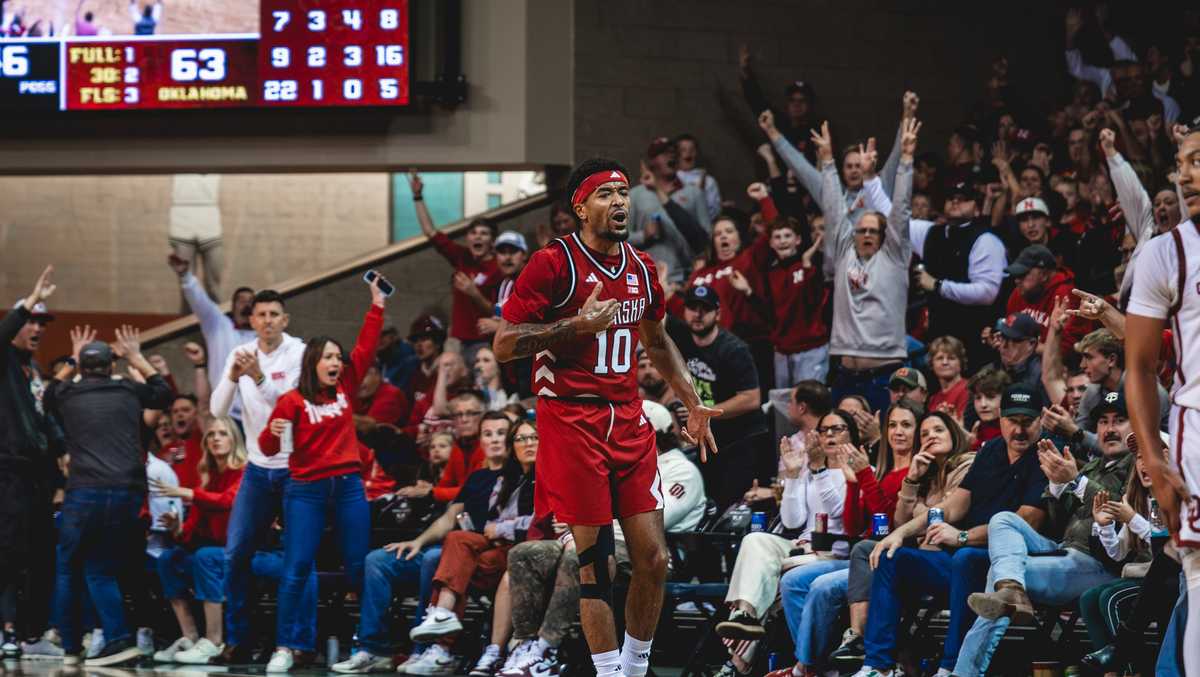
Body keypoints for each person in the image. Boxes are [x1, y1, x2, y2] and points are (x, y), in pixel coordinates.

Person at [493, 157, 720, 677]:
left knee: (654, 559)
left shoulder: (642, 267)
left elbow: (657, 342)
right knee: (598, 567)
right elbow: (504, 344)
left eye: (623, 192)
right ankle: (610, 672)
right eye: (606, 194)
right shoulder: (552, 263)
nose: (620, 201)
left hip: (627, 417)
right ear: (580, 207)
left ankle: (634, 668)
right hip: (570, 419)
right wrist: (575, 325)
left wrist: (690, 399)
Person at [857, 384, 1052, 677]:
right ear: (1001, 418)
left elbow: (1026, 522)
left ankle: (950, 668)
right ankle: (878, 666)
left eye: (1028, 421)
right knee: (890, 556)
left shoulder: (1047, 453)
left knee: (966, 558)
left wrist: (961, 537)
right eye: (1013, 421)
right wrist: (899, 533)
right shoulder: (992, 450)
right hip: (961, 558)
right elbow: (952, 506)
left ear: (1041, 419)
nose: (1019, 430)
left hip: (1008, 564)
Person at [951, 393, 1134, 676]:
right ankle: (1011, 590)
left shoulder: (1139, 465)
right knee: (1003, 520)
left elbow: (1121, 511)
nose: (1110, 429)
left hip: (1102, 564)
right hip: (1064, 551)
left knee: (999, 575)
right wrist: (1058, 487)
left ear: (1136, 426)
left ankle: (964, 671)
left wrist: (1076, 481)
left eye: (1119, 421)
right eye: (1103, 422)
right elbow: (1059, 521)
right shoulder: (1093, 466)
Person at [257, 278, 386, 672]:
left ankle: (368, 646)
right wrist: (272, 432)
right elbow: (266, 448)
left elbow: (366, 347)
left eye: (338, 358)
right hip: (306, 489)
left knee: (359, 565)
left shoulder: (346, 386)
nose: (336, 363)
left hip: (348, 486)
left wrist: (377, 305)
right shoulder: (291, 401)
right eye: (328, 357)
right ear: (313, 362)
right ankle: (285, 646)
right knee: (297, 567)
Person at [341, 412, 512, 676]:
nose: (495, 440)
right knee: (377, 560)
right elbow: (449, 518)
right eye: (488, 434)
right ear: (481, 440)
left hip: (476, 555)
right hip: (451, 547)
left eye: (501, 434)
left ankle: (423, 649)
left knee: (434, 558)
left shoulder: (516, 475)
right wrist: (416, 541)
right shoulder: (477, 477)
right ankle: (373, 649)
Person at [47, 326, 173, 666]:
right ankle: (117, 638)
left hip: (84, 491)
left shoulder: (67, 393)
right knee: (100, 568)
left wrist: (71, 360)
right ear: (112, 366)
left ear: (82, 367)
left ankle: (73, 648)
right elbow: (163, 394)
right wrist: (137, 357)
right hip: (126, 492)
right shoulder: (127, 389)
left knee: (67, 567)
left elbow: (47, 394)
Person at [1124, 122, 1200, 676]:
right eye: (1182, 163)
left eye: (1198, 160)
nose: (1186, 174)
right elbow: (1139, 366)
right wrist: (1153, 456)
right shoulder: (1166, 252)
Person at [825, 411, 975, 670]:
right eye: (925, 434)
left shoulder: (967, 465)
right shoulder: (926, 473)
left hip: (953, 556)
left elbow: (944, 512)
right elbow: (899, 521)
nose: (931, 436)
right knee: (866, 550)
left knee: (885, 559)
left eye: (938, 430)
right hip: (924, 554)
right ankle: (860, 641)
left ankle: (877, 661)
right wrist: (912, 479)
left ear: (953, 433)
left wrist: (918, 511)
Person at [209, 289, 309, 664]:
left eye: (274, 314)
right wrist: (233, 377)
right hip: (257, 468)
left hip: (296, 467)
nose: (267, 320)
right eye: (261, 314)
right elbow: (218, 410)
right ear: (251, 321)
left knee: (299, 557)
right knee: (235, 553)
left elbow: (289, 407)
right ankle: (239, 639)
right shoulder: (241, 352)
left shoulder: (299, 353)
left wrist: (258, 375)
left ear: (285, 320)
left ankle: (299, 644)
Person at [410, 415, 534, 672]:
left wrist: (501, 528)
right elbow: (486, 516)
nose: (527, 444)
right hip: (492, 545)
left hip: (522, 549)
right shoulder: (504, 478)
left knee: (454, 559)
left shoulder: (545, 475)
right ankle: (442, 625)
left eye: (533, 438)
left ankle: (442, 643)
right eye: (521, 439)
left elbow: (540, 520)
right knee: (456, 547)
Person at [818, 118, 919, 412]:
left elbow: (901, 210)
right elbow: (833, 211)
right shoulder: (844, 252)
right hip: (845, 374)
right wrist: (827, 161)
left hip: (884, 375)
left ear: (884, 235)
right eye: (860, 230)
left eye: (873, 230)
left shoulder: (895, 257)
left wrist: (906, 160)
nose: (866, 235)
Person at [150, 415, 247, 665]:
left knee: (206, 557)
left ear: (234, 440)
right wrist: (177, 528)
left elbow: (227, 501)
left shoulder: (245, 472)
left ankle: (214, 641)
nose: (215, 438)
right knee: (168, 559)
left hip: (244, 550)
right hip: (213, 548)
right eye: (211, 434)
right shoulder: (207, 477)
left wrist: (188, 493)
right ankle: (189, 637)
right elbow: (190, 533)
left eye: (222, 433)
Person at [1, 267, 60, 659]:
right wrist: (28, 301)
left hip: (38, 476)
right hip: (8, 472)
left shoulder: (34, 369)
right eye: (31, 322)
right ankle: (6, 630)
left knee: (40, 555)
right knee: (7, 552)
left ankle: (32, 633)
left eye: (41, 323)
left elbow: (43, 421)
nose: (37, 329)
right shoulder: (4, 359)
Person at [667, 285, 766, 508]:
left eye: (705, 309)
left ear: (718, 314)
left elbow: (751, 398)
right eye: (692, 308)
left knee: (731, 503)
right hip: (709, 435)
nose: (698, 314)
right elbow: (655, 321)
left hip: (740, 438)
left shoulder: (734, 349)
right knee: (707, 500)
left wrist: (704, 412)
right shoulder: (682, 335)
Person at [910, 181, 1008, 373]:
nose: (955, 202)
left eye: (963, 199)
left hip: (973, 341)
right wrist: (871, 179)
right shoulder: (931, 232)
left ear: (977, 208)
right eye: (951, 198)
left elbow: (987, 292)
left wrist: (938, 286)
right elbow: (893, 220)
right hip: (938, 338)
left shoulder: (986, 240)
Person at [410, 171, 500, 363]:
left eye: (484, 233)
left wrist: (474, 293)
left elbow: (499, 312)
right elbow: (430, 232)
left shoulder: (499, 268)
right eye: (473, 233)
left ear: (492, 241)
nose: (477, 236)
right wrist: (417, 196)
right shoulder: (462, 257)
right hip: (456, 341)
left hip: (483, 341)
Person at [169, 254, 256, 422]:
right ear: (233, 306)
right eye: (241, 301)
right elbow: (200, 302)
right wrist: (185, 276)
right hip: (225, 415)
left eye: (251, 301)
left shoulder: (264, 337)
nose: (246, 304)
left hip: (256, 415)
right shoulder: (218, 325)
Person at [627, 137, 712, 284]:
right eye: (664, 153)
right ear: (652, 162)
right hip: (646, 278)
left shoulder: (693, 193)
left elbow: (707, 236)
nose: (671, 156)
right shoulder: (635, 195)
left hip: (685, 278)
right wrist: (643, 235)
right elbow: (620, 240)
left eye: (674, 152)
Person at [674, 134, 722, 220]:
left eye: (692, 149)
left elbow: (715, 210)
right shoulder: (670, 178)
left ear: (696, 153)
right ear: (676, 154)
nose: (688, 153)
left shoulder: (709, 181)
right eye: (683, 150)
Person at [927, 337, 969, 417]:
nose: (945, 362)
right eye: (940, 358)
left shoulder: (968, 389)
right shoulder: (933, 399)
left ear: (961, 362)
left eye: (951, 358)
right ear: (932, 363)